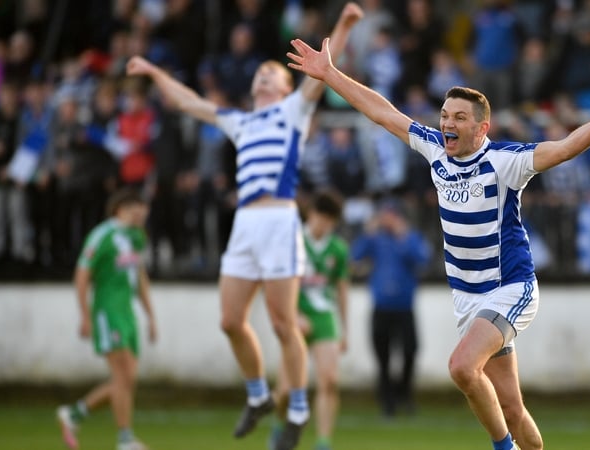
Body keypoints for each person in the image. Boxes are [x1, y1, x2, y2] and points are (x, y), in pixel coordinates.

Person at [286, 37, 590, 450]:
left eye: (458, 117)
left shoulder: (505, 161)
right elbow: (384, 113)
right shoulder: (436, 150)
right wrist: (330, 73)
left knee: (460, 367)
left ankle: (503, 448)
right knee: (511, 408)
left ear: (481, 127)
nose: (447, 124)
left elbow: (561, 150)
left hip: (511, 287)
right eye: (444, 115)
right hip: (469, 300)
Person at [125, 4, 363, 449]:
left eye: (272, 73)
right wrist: (155, 72)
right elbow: (189, 102)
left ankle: (295, 408)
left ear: (287, 84)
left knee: (281, 322)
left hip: (278, 220)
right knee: (231, 321)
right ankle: (257, 395)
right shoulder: (240, 121)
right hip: (246, 223)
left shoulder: (294, 110)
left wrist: (344, 26)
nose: (263, 77)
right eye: (261, 74)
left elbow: (322, 73)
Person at [56, 188, 156, 450]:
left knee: (126, 380)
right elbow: (81, 276)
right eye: (137, 206)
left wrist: (151, 315)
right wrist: (85, 315)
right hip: (107, 312)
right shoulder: (102, 235)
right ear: (121, 209)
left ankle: (74, 414)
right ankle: (125, 440)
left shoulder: (136, 237)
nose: (143, 212)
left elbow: (140, 277)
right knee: (122, 377)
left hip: (127, 313)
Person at [271, 190, 351, 450]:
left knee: (330, 381)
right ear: (311, 213)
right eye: (320, 216)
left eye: (330, 219)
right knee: (285, 390)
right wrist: (291, 315)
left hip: (323, 318)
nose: (323, 223)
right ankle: (279, 428)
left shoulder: (338, 249)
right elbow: (275, 285)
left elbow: (341, 289)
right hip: (294, 318)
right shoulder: (291, 242)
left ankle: (323, 442)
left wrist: (345, 330)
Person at [351, 198, 432, 418]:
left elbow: (422, 258)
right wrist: (368, 233)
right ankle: (387, 402)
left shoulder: (409, 237)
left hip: (404, 307)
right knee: (383, 356)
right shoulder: (375, 239)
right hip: (381, 307)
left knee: (410, 351)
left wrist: (402, 236)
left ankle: (404, 395)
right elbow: (355, 256)